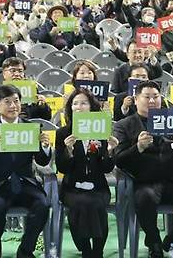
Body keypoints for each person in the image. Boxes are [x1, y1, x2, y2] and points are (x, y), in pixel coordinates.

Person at [113, 80, 173, 258]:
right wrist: (138, 147)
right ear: (135, 99)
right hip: (145, 182)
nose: (151, 101)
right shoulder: (123, 125)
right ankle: (153, 242)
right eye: (146, 97)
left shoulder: (172, 120)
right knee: (145, 198)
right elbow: (119, 160)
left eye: (155, 97)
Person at [0, 85, 52, 258]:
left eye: (16, 101)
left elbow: (42, 161)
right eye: (7, 102)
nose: (13, 106)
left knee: (43, 205)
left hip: (26, 183)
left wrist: (46, 147)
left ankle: (25, 250)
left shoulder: (32, 128)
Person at [55, 88, 118, 258]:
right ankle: (85, 249)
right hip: (72, 188)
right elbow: (62, 168)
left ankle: (97, 249)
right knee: (80, 204)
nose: (79, 107)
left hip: (98, 187)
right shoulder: (62, 133)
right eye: (75, 103)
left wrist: (110, 151)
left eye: (83, 103)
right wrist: (68, 150)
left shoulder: (101, 131)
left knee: (96, 204)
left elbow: (107, 168)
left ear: (91, 107)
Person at [0, 57, 52, 123]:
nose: (17, 74)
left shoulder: (32, 90)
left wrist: (43, 106)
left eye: (20, 71)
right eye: (13, 71)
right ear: (4, 74)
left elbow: (46, 118)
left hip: (29, 127)